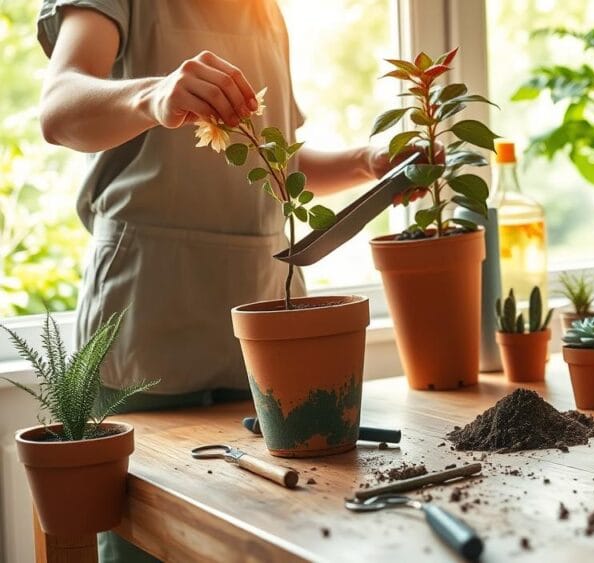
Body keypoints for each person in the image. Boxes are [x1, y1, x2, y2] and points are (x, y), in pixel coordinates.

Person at [36, 1, 399, 560]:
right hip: (146, 321)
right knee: (146, 540)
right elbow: (60, 108)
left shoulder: (264, 12)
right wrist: (155, 96)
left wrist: (365, 160)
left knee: (268, 535)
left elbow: (276, 162)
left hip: (265, 326)